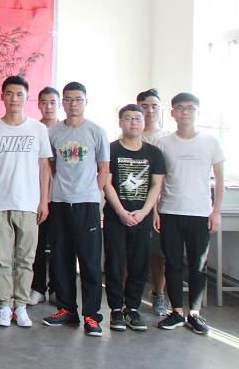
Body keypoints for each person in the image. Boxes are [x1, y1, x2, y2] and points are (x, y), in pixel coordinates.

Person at [0, 76, 51, 328]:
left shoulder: (38, 130)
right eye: (9, 94)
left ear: (26, 97)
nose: (14, 99)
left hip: (29, 204)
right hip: (0, 203)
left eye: (19, 94)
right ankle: (4, 306)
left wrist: (44, 201)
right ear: (3, 97)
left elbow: (44, 167)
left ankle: (21, 305)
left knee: (26, 259)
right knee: (2, 259)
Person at [42, 82, 109, 337]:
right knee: (61, 258)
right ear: (63, 103)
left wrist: (93, 194)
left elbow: (104, 168)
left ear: (85, 102)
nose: (73, 104)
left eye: (78, 99)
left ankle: (91, 315)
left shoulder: (96, 131)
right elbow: (51, 165)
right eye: (68, 99)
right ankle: (67, 309)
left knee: (89, 261)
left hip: (87, 204)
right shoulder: (53, 132)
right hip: (60, 202)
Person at [156, 92, 224, 335]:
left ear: (197, 112)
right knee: (173, 262)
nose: (185, 112)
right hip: (170, 210)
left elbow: (220, 179)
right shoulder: (163, 143)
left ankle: (194, 313)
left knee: (198, 264)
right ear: (172, 112)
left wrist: (216, 212)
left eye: (190, 108)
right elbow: (157, 181)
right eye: (180, 108)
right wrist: (154, 211)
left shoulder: (211, 141)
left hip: (199, 212)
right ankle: (175, 311)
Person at [103, 104, 165, 332]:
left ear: (143, 122)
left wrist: (144, 212)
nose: (133, 122)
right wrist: (121, 211)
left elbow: (156, 185)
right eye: (128, 118)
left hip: (142, 217)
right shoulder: (110, 149)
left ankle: (132, 308)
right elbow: (106, 182)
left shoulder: (154, 153)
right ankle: (116, 309)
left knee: (139, 263)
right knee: (115, 262)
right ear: (120, 122)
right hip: (115, 216)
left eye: (137, 118)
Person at [136, 87, 170, 316]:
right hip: (134, 201)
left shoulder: (168, 138)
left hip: (163, 202)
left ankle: (158, 294)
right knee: (131, 251)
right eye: (144, 106)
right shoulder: (131, 134)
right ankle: (130, 296)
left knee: (160, 253)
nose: (149, 111)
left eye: (154, 106)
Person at [30, 86, 60, 305]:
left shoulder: (65, 130)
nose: (48, 107)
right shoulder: (33, 129)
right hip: (36, 197)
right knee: (36, 245)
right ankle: (37, 287)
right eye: (44, 102)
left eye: (53, 102)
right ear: (38, 104)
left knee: (59, 245)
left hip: (60, 197)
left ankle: (57, 288)